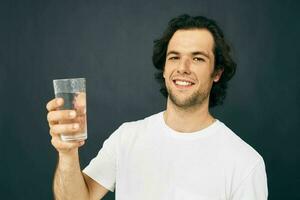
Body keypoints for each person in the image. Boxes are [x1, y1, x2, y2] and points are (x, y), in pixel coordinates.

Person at [46, 14, 268, 200]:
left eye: (198, 58)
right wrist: (67, 153)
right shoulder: (127, 137)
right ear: (164, 67)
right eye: (174, 57)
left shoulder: (245, 163)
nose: (183, 67)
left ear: (217, 72)